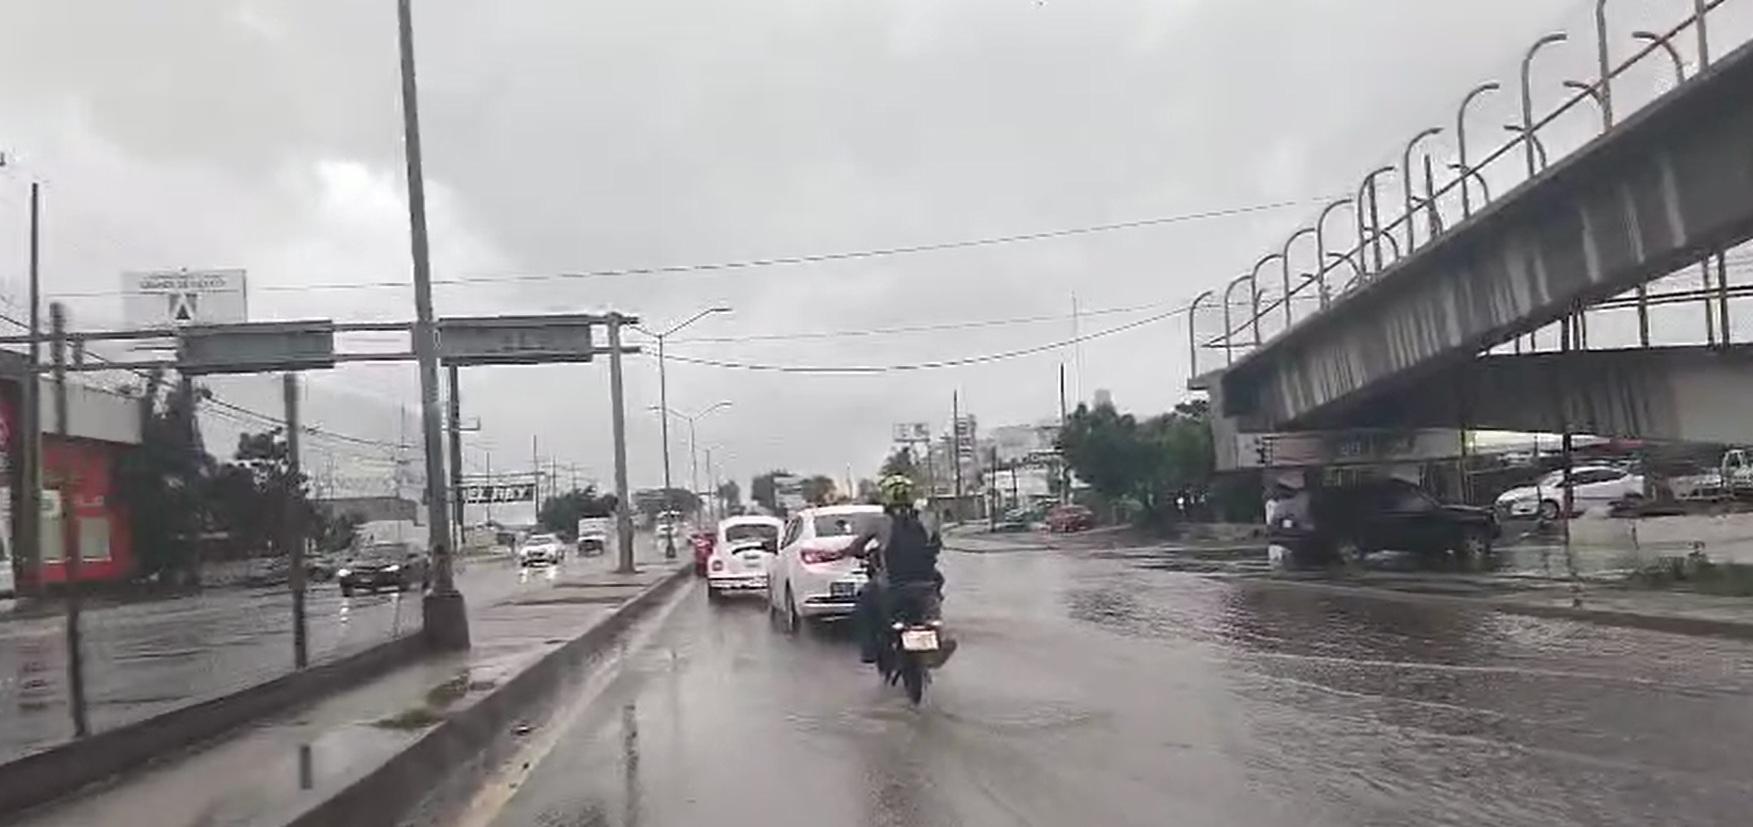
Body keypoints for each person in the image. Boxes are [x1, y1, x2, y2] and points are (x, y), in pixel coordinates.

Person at [848, 475, 943, 664]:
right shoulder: (928, 519)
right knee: (937, 593)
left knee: (864, 600)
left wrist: (857, 553)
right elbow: (936, 545)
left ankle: (870, 651)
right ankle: (936, 631)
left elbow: (857, 546)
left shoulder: (880, 521)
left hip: (892, 585)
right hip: (926, 583)